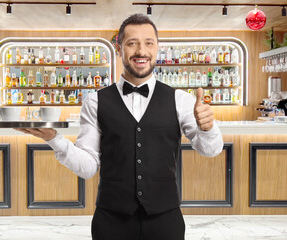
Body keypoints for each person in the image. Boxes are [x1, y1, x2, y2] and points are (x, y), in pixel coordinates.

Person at [17, 13, 223, 240]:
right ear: (119, 48)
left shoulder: (180, 99)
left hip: (165, 219)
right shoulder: (95, 101)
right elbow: (87, 167)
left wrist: (208, 128)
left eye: (148, 43)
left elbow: (210, 150)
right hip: (111, 221)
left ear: (157, 48)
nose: (141, 51)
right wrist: (54, 138)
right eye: (132, 43)